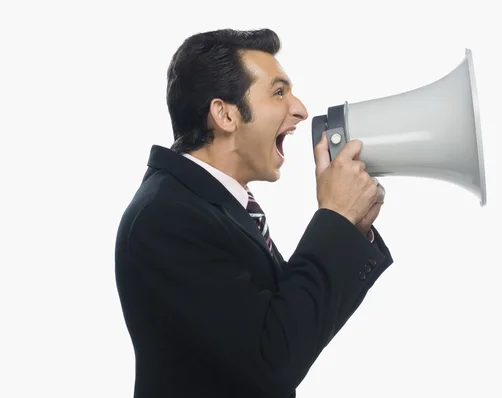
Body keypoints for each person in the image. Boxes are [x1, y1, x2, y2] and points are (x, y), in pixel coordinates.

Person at [114, 28, 394, 398]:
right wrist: (335, 218)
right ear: (225, 114)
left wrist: (350, 228)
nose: (300, 109)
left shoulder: (212, 204)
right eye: (279, 92)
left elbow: (289, 324)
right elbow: (273, 358)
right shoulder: (166, 218)